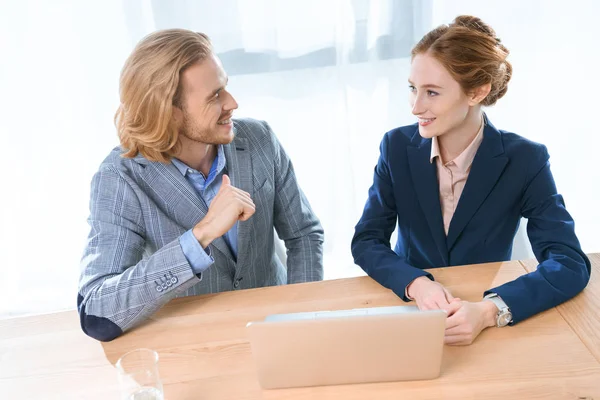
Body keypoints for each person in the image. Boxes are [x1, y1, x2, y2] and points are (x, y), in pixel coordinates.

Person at [351, 16, 590, 346]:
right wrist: (416, 283)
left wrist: (492, 310)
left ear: (477, 92)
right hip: (411, 311)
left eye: (432, 92)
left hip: (484, 316)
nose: (416, 107)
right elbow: (366, 241)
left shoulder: (525, 159)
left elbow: (569, 263)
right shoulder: (395, 147)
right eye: (412, 89)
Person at [78, 29, 324, 342]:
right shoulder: (121, 179)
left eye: (226, 87)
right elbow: (97, 310)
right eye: (215, 96)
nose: (233, 103)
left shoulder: (259, 139)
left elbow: (304, 234)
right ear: (168, 112)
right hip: (196, 345)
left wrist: (301, 317)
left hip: (278, 331)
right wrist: (200, 235)